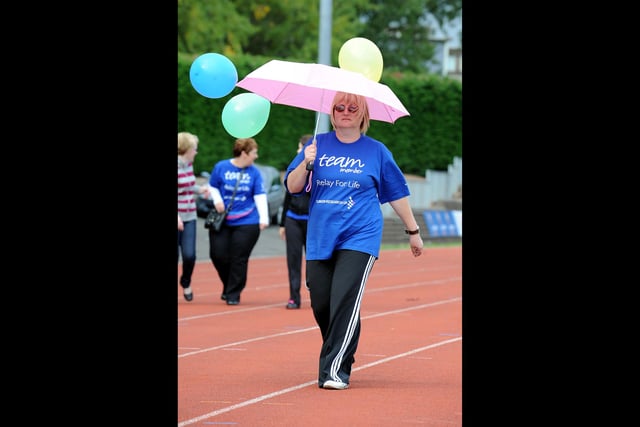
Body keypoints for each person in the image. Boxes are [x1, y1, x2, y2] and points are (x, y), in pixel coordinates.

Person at [284, 91, 424, 390]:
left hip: (360, 235)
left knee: (345, 299)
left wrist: (413, 232)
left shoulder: (377, 151)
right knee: (323, 304)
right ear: (331, 113)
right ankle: (342, 350)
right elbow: (293, 187)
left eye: (352, 108)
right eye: (339, 107)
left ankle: (334, 371)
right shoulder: (315, 146)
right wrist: (305, 163)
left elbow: (396, 193)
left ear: (363, 115)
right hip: (321, 236)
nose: (345, 112)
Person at [207, 137, 270, 305]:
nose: (256, 156)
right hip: (223, 220)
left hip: (247, 221)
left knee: (238, 258)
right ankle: (229, 285)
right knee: (217, 255)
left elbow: (260, 195)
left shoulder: (254, 173)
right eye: (254, 153)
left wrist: (264, 218)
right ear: (244, 153)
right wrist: (217, 200)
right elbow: (212, 186)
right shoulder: (221, 167)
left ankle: (234, 293)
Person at [279, 134, 313, 310]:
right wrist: (282, 223)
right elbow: (288, 194)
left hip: (311, 220)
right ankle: (294, 297)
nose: (297, 150)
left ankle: (314, 290)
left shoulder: (318, 166)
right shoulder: (294, 166)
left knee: (313, 259)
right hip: (293, 219)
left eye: (300, 147)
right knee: (293, 259)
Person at [178, 131, 209, 302]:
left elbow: (188, 185)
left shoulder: (188, 164)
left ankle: (186, 281)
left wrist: (201, 189)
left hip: (189, 216)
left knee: (190, 255)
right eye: (194, 149)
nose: (196, 152)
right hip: (178, 216)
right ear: (186, 149)